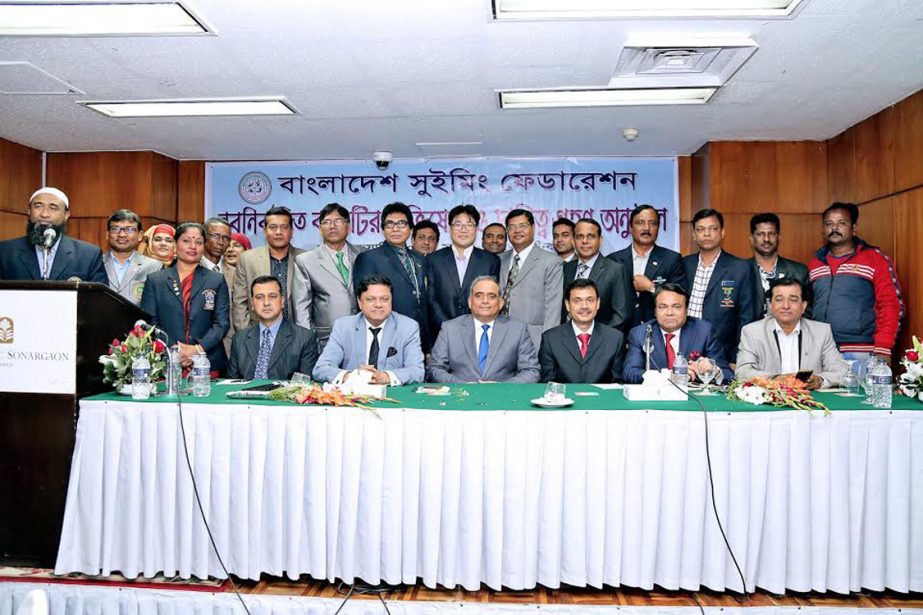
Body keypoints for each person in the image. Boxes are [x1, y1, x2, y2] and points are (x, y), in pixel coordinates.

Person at [808, 202, 903, 362]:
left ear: (854, 228)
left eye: (841, 223)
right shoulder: (815, 264)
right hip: (821, 351)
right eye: (829, 224)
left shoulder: (875, 259)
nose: (834, 228)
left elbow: (891, 304)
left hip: (861, 352)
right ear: (823, 230)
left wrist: (883, 347)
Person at [140, 222, 230, 373]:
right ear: (175, 244)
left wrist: (197, 349)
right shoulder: (156, 280)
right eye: (186, 241)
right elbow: (151, 323)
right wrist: (176, 351)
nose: (193, 246)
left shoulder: (216, 280)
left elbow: (221, 323)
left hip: (207, 361)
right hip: (166, 360)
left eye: (199, 242)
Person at [736, 278, 848, 388]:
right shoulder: (752, 332)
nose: (786, 306)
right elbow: (743, 372)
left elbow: (841, 371)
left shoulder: (821, 332)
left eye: (793, 300)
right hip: (769, 399)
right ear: (770, 305)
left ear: (803, 305)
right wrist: (774, 379)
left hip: (811, 400)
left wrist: (820, 380)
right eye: (779, 299)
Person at [313, 275, 424, 385]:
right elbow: (321, 369)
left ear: (392, 300)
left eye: (384, 299)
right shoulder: (343, 327)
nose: (378, 305)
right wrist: (351, 376)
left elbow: (417, 371)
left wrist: (386, 376)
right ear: (360, 302)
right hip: (354, 395)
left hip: (393, 396)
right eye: (371, 299)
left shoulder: (408, 327)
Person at [682, 208, 759, 365]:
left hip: (722, 353)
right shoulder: (684, 264)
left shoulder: (740, 268)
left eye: (713, 228)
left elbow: (748, 317)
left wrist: (737, 357)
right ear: (694, 235)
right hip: (684, 348)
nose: (707, 234)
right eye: (701, 229)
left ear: (722, 232)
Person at [428, 276, 539, 383]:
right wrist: (463, 386)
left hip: (504, 398)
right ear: (470, 302)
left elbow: (531, 371)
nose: (485, 301)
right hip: (460, 396)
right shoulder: (450, 329)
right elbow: (435, 369)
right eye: (479, 296)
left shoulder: (518, 330)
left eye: (491, 296)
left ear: (500, 303)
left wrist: (502, 387)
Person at [352, 202, 429, 348]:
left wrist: (427, 344)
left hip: (418, 336)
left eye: (401, 224)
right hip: (386, 337)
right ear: (382, 229)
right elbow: (365, 303)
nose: (395, 229)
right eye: (389, 224)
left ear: (410, 229)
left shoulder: (420, 260)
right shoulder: (369, 259)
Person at [623, 284, 732, 384]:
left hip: (692, 399)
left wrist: (714, 371)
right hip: (655, 398)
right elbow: (630, 372)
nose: (669, 313)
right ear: (655, 311)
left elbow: (728, 375)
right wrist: (668, 376)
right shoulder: (640, 333)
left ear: (686, 310)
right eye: (663, 307)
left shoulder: (704, 331)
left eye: (676, 307)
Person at [0, 186, 107, 283]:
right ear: (29, 211)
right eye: (38, 206)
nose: (44, 214)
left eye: (53, 208)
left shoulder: (88, 255)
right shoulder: (5, 252)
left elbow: (99, 301)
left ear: (66, 215)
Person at [292, 203, 363, 350]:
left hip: (363, 337)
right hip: (326, 341)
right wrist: (309, 344)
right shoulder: (305, 261)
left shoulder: (363, 255)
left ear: (348, 227)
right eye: (326, 222)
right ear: (319, 229)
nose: (332, 226)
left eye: (338, 221)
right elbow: (301, 309)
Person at [426, 204, 501, 341]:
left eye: (469, 225)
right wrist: (448, 328)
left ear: (476, 229)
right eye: (458, 224)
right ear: (450, 228)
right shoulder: (433, 260)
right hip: (442, 335)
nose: (463, 230)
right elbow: (431, 300)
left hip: (478, 336)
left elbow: (490, 300)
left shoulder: (490, 261)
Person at [608, 204, 687, 329]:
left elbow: (680, 298)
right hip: (620, 334)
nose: (646, 228)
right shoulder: (613, 260)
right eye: (640, 223)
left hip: (658, 332)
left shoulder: (671, 259)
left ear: (658, 228)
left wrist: (651, 287)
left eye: (652, 223)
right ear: (630, 227)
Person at [227, 275, 319, 380]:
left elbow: (305, 385)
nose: (266, 303)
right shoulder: (239, 339)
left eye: (272, 296)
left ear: (282, 301)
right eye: (259, 297)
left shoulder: (304, 338)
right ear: (252, 303)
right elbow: (231, 382)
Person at [232, 206, 306, 332]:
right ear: (265, 231)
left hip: (297, 335)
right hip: (258, 334)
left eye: (284, 227)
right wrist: (247, 336)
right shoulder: (247, 259)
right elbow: (240, 303)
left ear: (291, 231)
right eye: (273, 227)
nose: (278, 232)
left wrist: (306, 336)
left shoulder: (305, 258)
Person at [499, 208, 563, 350]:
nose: (517, 231)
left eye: (522, 226)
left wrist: (548, 346)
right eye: (511, 227)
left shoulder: (551, 262)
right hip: (498, 340)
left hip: (533, 341)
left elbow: (553, 309)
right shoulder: (499, 260)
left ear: (533, 227)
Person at [540, 279, 625, 383]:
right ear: (567, 305)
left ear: (598, 303)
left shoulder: (615, 338)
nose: (584, 306)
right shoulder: (551, 339)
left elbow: (617, 384)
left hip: (601, 398)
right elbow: (548, 384)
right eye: (577, 301)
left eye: (590, 300)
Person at [562, 218, 631, 332]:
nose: (585, 241)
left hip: (601, 342)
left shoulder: (615, 270)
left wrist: (595, 338)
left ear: (600, 240)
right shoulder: (565, 269)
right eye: (580, 236)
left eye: (591, 236)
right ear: (573, 241)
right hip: (566, 340)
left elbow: (621, 316)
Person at [747, 213, 810, 317]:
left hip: (788, 331)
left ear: (779, 237)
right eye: (760, 234)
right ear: (751, 238)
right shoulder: (740, 271)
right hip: (750, 332)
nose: (766, 239)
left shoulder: (799, 272)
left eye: (771, 234)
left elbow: (807, 311)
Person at [102, 209, 162, 304]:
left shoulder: (154, 267)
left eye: (129, 229)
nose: (121, 234)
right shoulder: (96, 263)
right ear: (107, 234)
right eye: (115, 229)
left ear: (140, 235)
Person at [221, 231, 251, 355]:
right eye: (228, 246)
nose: (230, 249)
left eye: (237, 245)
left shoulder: (253, 276)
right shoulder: (215, 275)